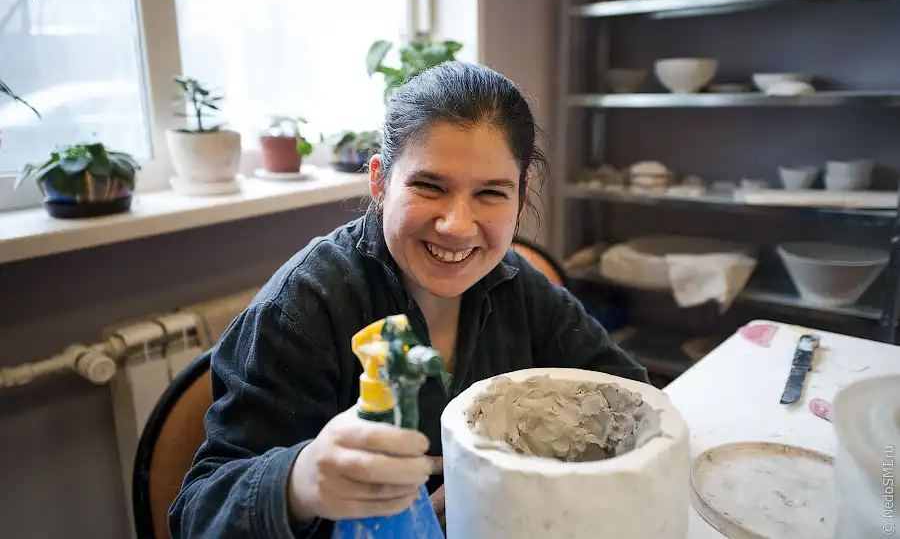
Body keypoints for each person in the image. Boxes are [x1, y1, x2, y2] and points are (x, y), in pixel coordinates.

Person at [168, 61, 648, 539]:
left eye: (490, 193)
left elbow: (633, 400)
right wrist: (300, 481)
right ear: (380, 182)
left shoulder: (517, 285)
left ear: (520, 199)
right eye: (429, 186)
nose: (457, 226)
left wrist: (498, 479)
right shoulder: (303, 307)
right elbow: (198, 516)